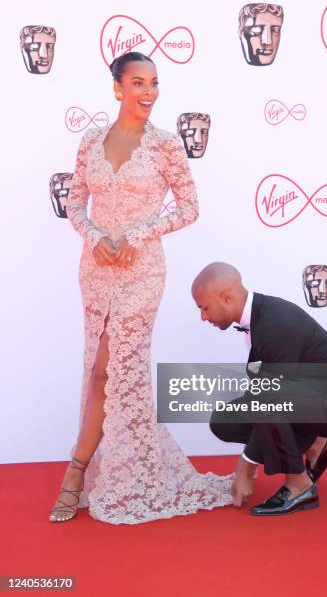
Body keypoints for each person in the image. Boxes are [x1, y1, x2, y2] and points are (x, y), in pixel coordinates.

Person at [49, 52, 234, 524]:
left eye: (154, 83)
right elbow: (74, 206)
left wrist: (137, 234)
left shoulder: (166, 145)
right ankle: (101, 471)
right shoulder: (91, 140)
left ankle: (77, 471)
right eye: (138, 83)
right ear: (118, 88)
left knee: (112, 368)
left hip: (142, 273)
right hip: (95, 271)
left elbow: (190, 208)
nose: (149, 92)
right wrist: (94, 238)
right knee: (97, 372)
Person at [191, 262, 327, 516]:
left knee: (268, 397)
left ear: (226, 298)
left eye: (204, 307)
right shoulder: (258, 315)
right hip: (309, 398)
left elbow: (269, 398)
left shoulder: (275, 324)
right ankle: (316, 445)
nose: (203, 316)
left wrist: (246, 464)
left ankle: (299, 485)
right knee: (224, 421)